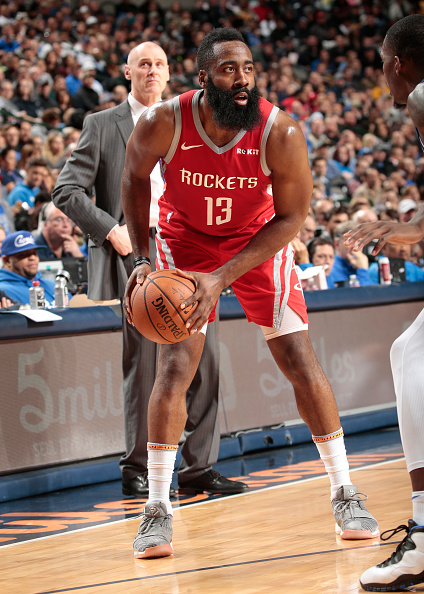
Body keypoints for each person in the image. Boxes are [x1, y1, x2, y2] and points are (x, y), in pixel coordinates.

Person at [121, 27, 378, 560]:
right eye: (228, 70)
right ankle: (157, 508)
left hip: (257, 240)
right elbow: (133, 178)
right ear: (203, 77)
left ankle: (345, 491)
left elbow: (292, 217)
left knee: (298, 358)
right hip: (185, 242)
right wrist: (142, 260)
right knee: (175, 366)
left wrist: (223, 276)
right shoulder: (163, 121)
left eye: (248, 69)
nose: (242, 80)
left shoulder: (279, 130)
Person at [52, 41, 242, 500]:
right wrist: (110, 230)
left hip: (190, 248)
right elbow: (66, 190)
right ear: (128, 72)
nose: (152, 70)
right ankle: (137, 467)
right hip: (136, 247)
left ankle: (199, 467)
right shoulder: (102, 124)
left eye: (159, 64)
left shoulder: (190, 121)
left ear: (170, 73)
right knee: (144, 363)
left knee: (205, 360)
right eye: (143, 64)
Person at [344, 14, 424, 592]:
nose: (384, 79)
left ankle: (423, 535)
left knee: (411, 356)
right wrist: (410, 228)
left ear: (398, 62)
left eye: (381, 66)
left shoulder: (422, 98)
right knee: (407, 352)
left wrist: (408, 229)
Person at [0, 230, 55, 305]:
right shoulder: (3, 292)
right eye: (24, 254)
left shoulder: (51, 285)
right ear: (7, 261)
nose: (32, 258)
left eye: (34, 253)